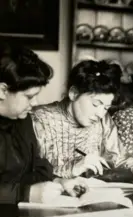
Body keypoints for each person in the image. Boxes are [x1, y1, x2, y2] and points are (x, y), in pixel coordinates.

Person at [32, 60, 133, 180]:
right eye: (95, 104)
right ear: (74, 93)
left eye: (106, 107)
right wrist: (73, 168)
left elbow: (119, 158)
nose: (100, 113)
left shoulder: (103, 120)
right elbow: (28, 175)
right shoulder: (39, 119)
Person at [0, 43, 86, 203]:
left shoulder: (22, 119)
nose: (35, 103)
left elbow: (36, 165)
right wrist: (25, 194)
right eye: (29, 96)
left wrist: (57, 181)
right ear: (3, 91)